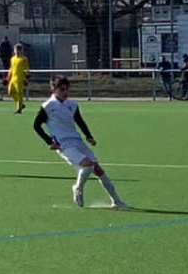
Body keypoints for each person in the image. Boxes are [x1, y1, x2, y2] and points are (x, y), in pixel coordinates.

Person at [33, 77, 127, 209]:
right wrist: (49, 142)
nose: (65, 92)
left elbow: (79, 121)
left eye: (67, 89)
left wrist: (89, 136)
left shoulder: (72, 104)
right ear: (53, 89)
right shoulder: (48, 106)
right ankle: (78, 188)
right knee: (87, 165)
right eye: (62, 89)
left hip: (77, 140)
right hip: (63, 144)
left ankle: (116, 201)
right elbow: (36, 125)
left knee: (98, 170)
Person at [7, 43, 31, 114]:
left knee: (19, 93)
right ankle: (20, 104)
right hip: (13, 78)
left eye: (19, 50)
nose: (17, 51)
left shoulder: (24, 59)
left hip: (20, 78)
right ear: (14, 50)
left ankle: (19, 109)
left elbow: (27, 68)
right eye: (16, 50)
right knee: (10, 92)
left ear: (21, 51)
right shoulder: (12, 59)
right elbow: (11, 69)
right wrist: (7, 78)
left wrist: (26, 78)